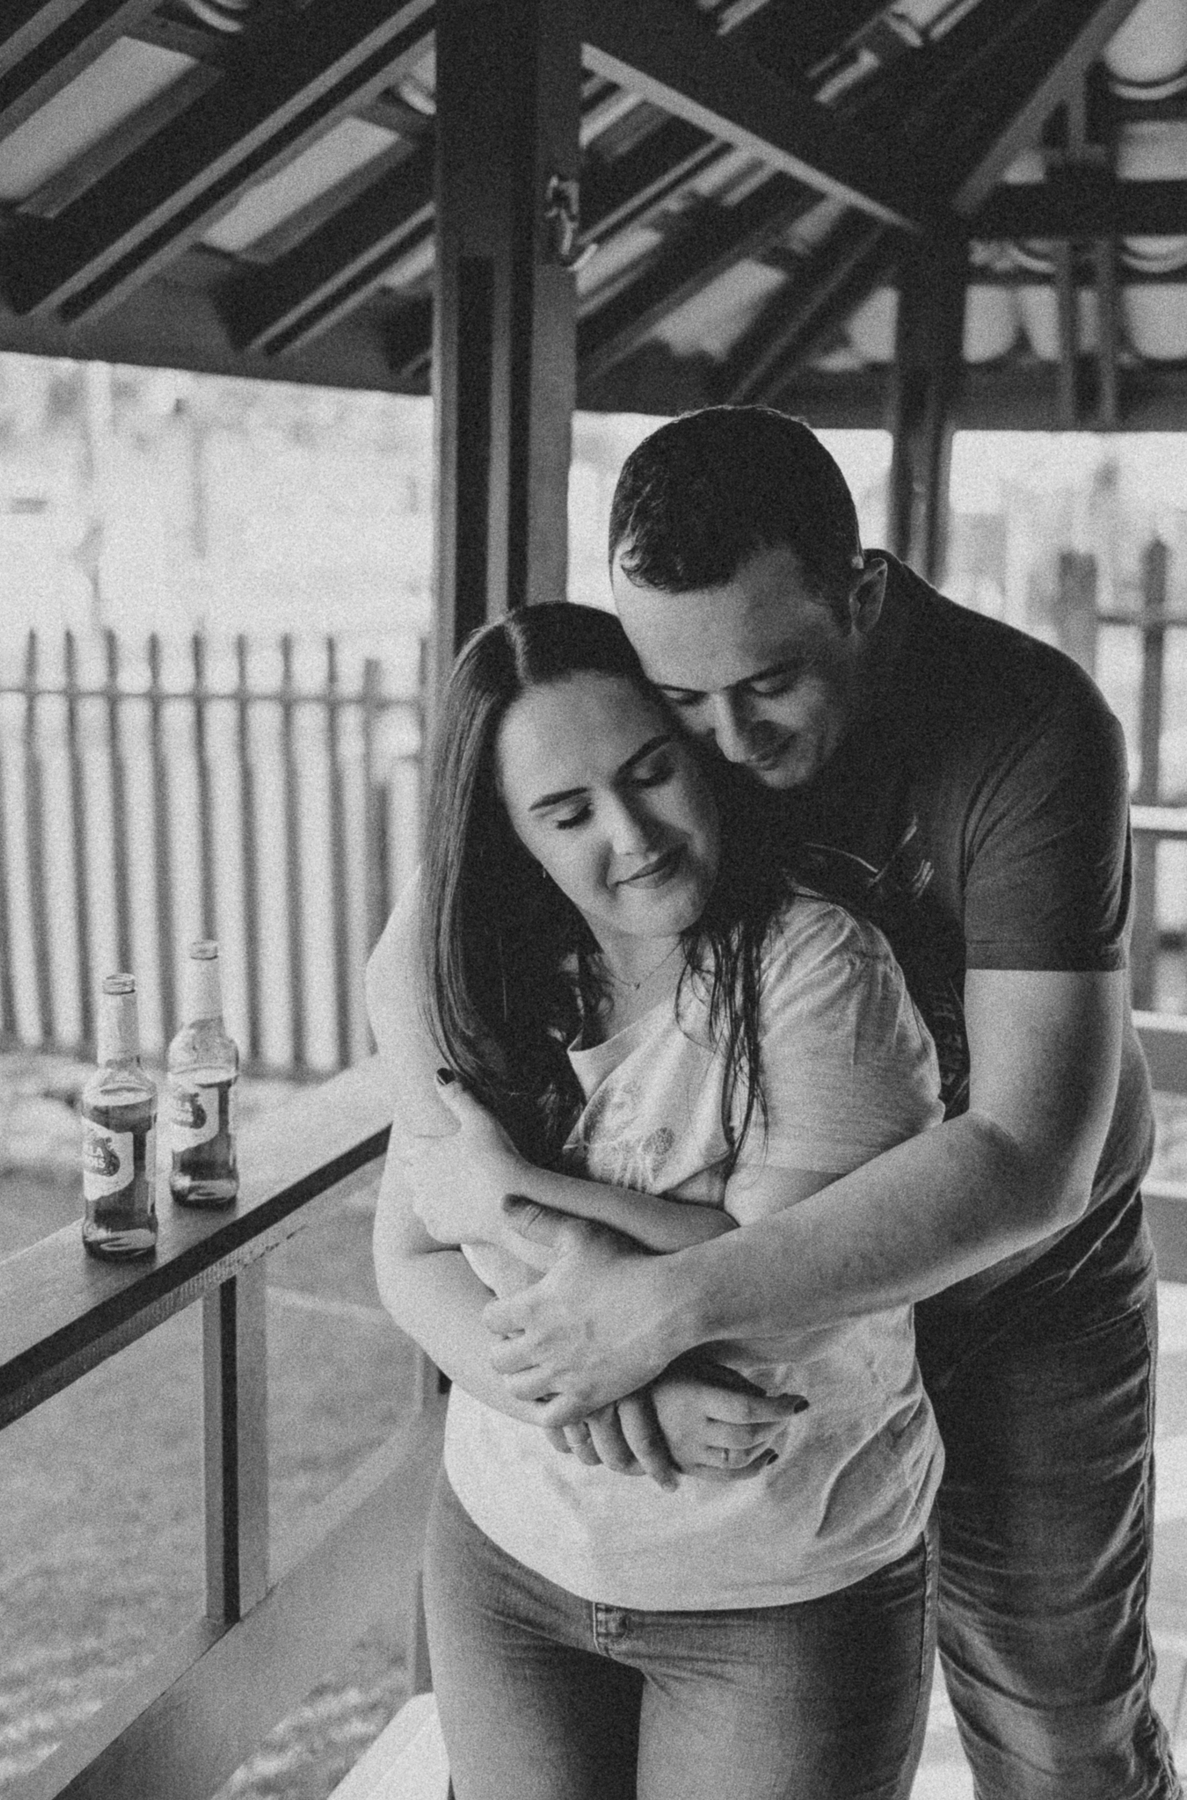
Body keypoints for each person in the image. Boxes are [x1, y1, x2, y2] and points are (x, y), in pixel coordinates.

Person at [466, 407, 1180, 1800]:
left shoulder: (1030, 725)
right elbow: (437, 917)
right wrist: (455, 1159)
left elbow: (1028, 1154)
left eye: (771, 683)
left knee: (1059, 1732)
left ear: (861, 594)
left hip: (1023, 1289)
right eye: (684, 703)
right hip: (768, 1277)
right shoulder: (655, 694)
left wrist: (665, 1308)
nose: (727, 742)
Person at [368, 600, 946, 1800]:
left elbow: (774, 1287)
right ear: (510, 833)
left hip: (776, 1592)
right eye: (567, 814)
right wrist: (630, 1407)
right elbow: (414, 1259)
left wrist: (514, 1194)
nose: (631, 836)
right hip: (508, 1558)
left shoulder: (819, 965)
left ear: (700, 752)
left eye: (650, 774)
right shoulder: (463, 959)